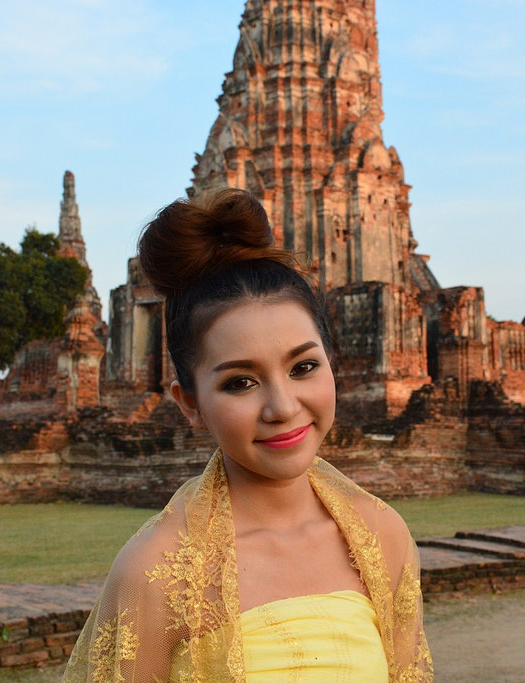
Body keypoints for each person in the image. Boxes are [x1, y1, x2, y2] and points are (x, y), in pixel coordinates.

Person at [63, 189, 432, 681]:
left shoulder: (382, 538)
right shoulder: (157, 571)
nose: (282, 407)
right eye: (240, 382)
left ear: (332, 366)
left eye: (303, 367)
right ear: (190, 403)